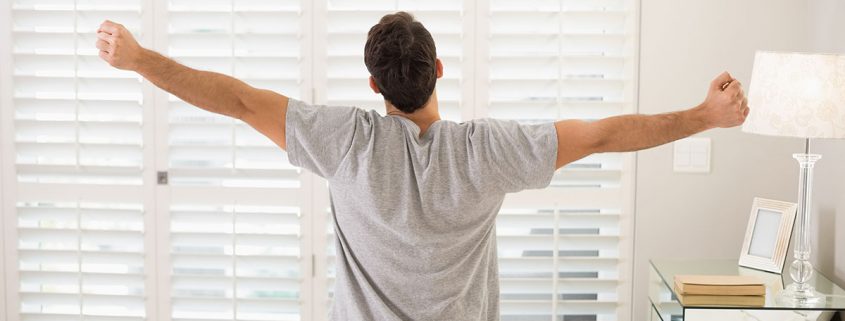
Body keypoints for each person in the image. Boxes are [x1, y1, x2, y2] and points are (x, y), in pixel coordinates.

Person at [96, 11, 748, 321]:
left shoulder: (346, 140)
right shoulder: (484, 150)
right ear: (438, 69)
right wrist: (702, 115)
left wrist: (140, 59)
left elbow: (238, 101)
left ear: (373, 85)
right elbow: (602, 134)